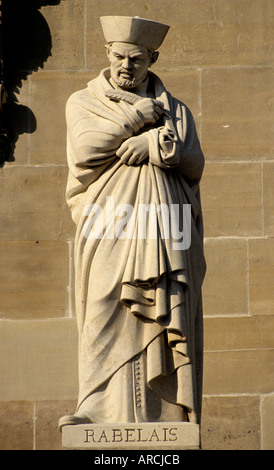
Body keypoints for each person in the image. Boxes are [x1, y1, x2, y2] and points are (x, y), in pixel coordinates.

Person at [59, 16, 206, 429]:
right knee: (105, 305)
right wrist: (137, 119)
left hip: (165, 222)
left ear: (151, 59)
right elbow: (87, 149)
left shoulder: (177, 110)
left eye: (137, 59)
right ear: (108, 54)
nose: (126, 66)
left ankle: (169, 408)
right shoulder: (84, 101)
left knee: (162, 302)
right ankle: (95, 406)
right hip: (108, 219)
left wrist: (156, 145)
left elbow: (195, 162)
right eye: (119, 57)